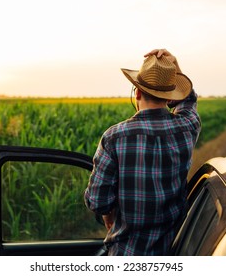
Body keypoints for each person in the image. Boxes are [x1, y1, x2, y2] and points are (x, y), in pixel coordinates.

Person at [84, 48, 201, 256]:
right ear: (169, 95)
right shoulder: (187, 127)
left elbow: (97, 201)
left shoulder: (114, 136)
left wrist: (108, 217)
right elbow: (189, 102)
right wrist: (174, 67)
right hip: (173, 251)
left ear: (137, 92)